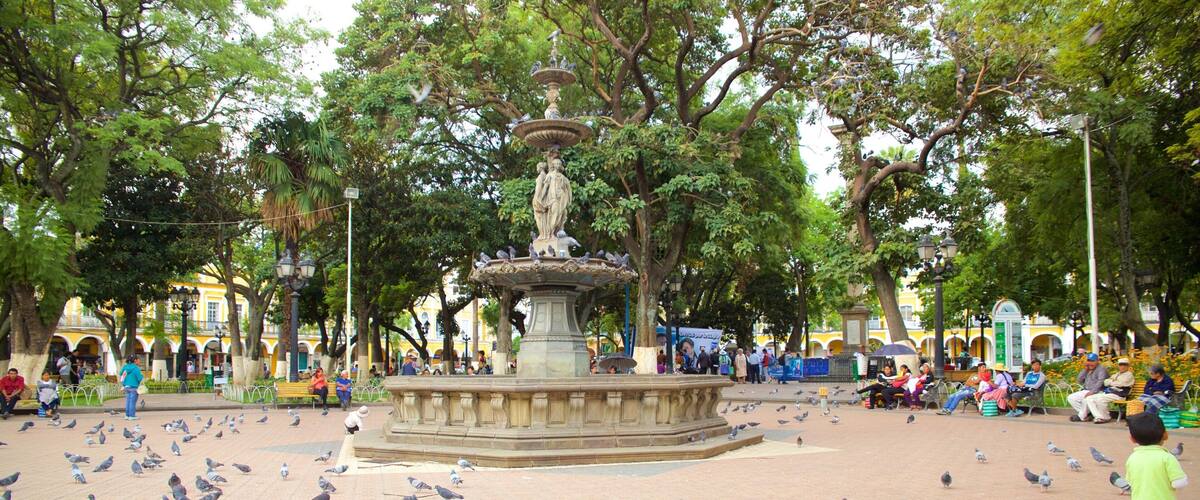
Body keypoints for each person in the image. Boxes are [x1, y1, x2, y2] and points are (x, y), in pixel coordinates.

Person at [1125, 412, 1189, 499]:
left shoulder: (1132, 458)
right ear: (1165, 435)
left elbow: (1129, 482)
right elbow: (1179, 483)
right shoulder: (1167, 458)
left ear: (1132, 439)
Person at [1082, 357, 1135, 424]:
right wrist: (1113, 382)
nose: (1122, 366)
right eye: (1121, 364)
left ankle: (1105, 417)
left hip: (1120, 395)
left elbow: (1121, 384)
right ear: (1118, 366)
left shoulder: (1129, 375)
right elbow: (1105, 382)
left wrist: (1112, 382)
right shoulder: (1117, 374)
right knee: (1089, 398)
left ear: (1128, 366)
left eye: (1125, 364)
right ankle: (1098, 417)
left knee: (1100, 399)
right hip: (1111, 393)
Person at [1068, 353, 1111, 422]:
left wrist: (1092, 392)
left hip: (1099, 391)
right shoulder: (1087, 369)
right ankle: (1087, 414)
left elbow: (1100, 382)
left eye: (1092, 361)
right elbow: (1079, 380)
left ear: (1097, 361)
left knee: (1086, 399)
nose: (1090, 363)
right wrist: (1085, 370)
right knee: (1071, 398)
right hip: (1086, 390)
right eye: (1089, 361)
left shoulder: (1101, 369)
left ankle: (1081, 416)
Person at [119, 355, 143, 420]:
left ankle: (127, 415)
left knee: (128, 401)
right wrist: (142, 377)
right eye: (138, 360)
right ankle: (132, 416)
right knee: (132, 402)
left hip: (126, 386)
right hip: (133, 387)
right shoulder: (135, 368)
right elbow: (139, 378)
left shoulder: (125, 367)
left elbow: (120, 373)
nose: (139, 361)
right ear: (135, 360)